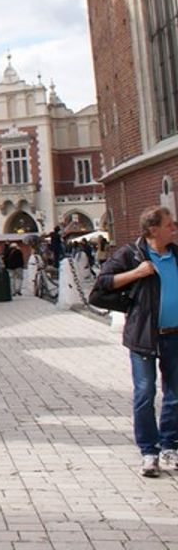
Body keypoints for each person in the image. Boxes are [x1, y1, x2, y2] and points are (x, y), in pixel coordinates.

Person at [96, 205, 178, 479]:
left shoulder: (176, 255)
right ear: (153, 229)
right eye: (170, 224)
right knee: (145, 393)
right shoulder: (131, 254)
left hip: (174, 335)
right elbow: (103, 283)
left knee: (175, 395)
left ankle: (169, 446)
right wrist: (137, 273)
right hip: (143, 335)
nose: (175, 227)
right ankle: (148, 451)